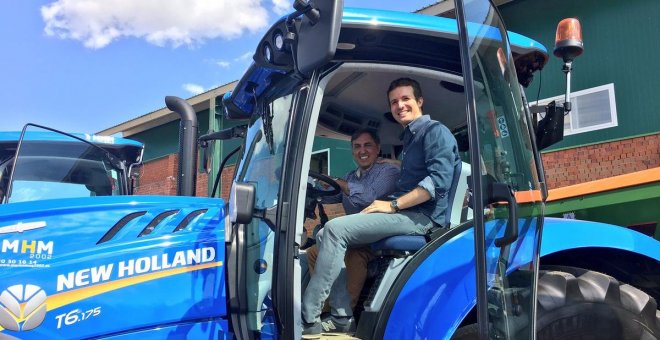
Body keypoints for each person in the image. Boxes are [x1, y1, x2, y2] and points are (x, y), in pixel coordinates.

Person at [302, 78, 460, 337]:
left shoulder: (434, 131)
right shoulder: (410, 139)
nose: (400, 105)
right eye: (394, 102)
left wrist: (392, 205)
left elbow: (437, 183)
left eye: (405, 99)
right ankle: (342, 316)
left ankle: (308, 318)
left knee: (333, 230)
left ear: (419, 101)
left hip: (422, 217)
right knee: (322, 235)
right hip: (407, 212)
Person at [304, 128, 399, 318]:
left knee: (355, 255)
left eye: (367, 145)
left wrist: (339, 183)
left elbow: (369, 196)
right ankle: (325, 308)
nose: (362, 151)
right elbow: (334, 196)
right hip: (352, 236)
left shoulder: (388, 171)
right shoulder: (349, 176)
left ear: (377, 148)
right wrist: (314, 191)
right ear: (352, 151)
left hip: (378, 235)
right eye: (357, 146)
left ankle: (345, 315)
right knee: (314, 251)